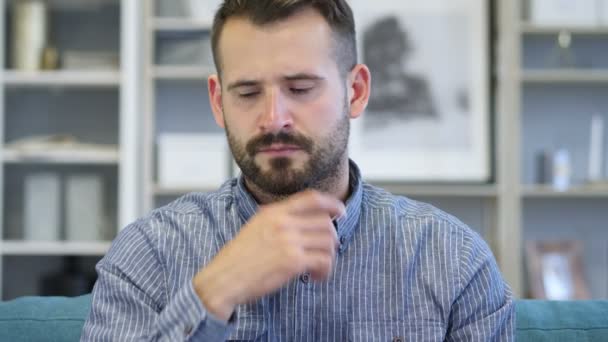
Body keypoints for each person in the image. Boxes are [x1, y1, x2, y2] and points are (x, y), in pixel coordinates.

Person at [81, 1, 514, 341]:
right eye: (248, 93)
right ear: (218, 102)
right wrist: (214, 293)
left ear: (357, 91)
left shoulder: (453, 260)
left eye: (301, 88)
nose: (274, 118)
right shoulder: (148, 254)